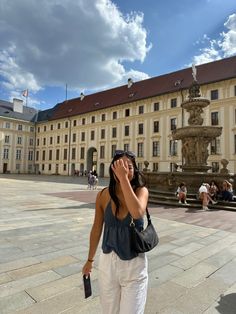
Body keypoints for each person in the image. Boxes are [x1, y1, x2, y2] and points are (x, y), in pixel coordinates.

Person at [82, 150, 149, 314]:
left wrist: (124, 178)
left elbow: (136, 212)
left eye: (130, 167)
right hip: (108, 263)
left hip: (134, 264)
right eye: (122, 166)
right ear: (113, 169)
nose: (126, 169)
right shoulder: (103, 195)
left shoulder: (141, 191)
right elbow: (97, 228)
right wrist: (89, 260)